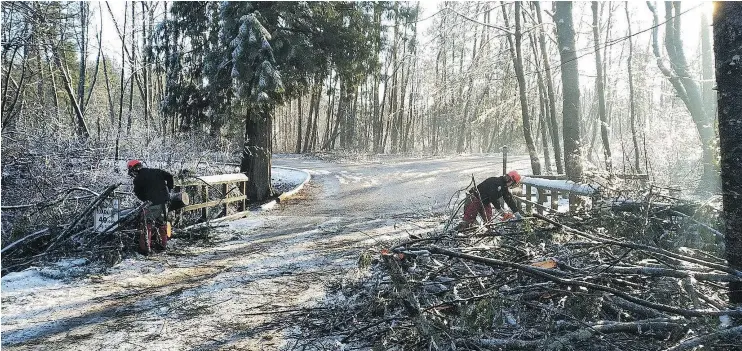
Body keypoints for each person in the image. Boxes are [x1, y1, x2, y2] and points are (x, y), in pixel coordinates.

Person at [127, 160, 174, 253]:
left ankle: (144, 248)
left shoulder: (137, 180)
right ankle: (163, 245)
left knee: (145, 224)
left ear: (134, 170)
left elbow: (139, 194)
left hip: (152, 204)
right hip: (165, 202)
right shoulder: (156, 171)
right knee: (163, 223)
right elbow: (169, 176)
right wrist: (169, 188)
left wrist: (147, 199)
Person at [457, 170, 523, 230]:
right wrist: (501, 211)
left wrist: (516, 212)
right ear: (511, 180)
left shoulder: (504, 187)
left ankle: (487, 233)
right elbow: (493, 197)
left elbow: (509, 199)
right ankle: (459, 234)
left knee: (488, 220)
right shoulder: (496, 182)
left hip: (485, 201)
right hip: (475, 198)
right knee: (468, 220)